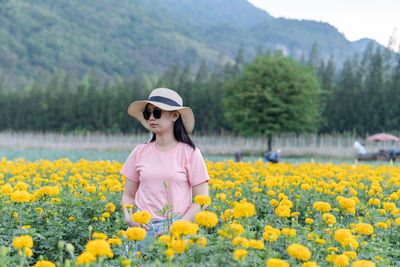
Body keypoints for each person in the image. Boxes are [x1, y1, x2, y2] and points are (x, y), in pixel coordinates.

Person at [120, 88, 210, 240]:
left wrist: (177, 227)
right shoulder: (139, 152)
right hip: (141, 229)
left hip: (177, 229)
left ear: (175, 115)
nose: (151, 118)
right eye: (148, 113)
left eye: (157, 112)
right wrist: (129, 216)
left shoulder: (190, 153)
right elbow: (128, 195)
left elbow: (202, 200)